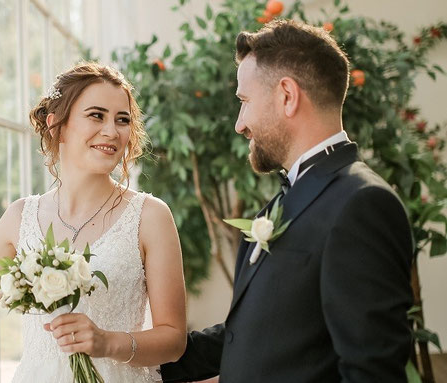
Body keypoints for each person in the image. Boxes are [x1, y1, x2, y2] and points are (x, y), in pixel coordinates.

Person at [0, 62, 187, 382]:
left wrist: (108, 342)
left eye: (122, 119)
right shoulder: (20, 218)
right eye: (97, 115)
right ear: (57, 126)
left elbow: (174, 339)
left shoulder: (150, 216)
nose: (111, 131)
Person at [161, 20, 413, 383]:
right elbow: (256, 334)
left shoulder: (362, 204)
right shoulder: (288, 199)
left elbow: (372, 372)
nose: (239, 124)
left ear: (287, 96)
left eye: (244, 102)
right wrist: (133, 358)